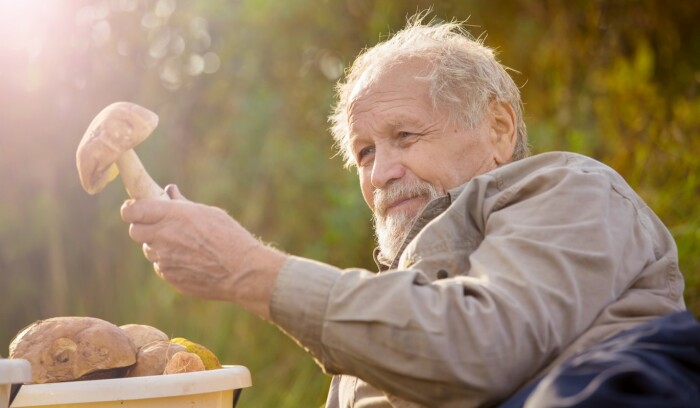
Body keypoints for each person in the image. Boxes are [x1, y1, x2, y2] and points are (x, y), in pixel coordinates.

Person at [120, 13, 698, 408]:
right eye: (365, 152)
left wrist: (246, 268)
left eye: (405, 134)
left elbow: (484, 346)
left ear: (498, 128)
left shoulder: (571, 189)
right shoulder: (376, 315)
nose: (380, 172)